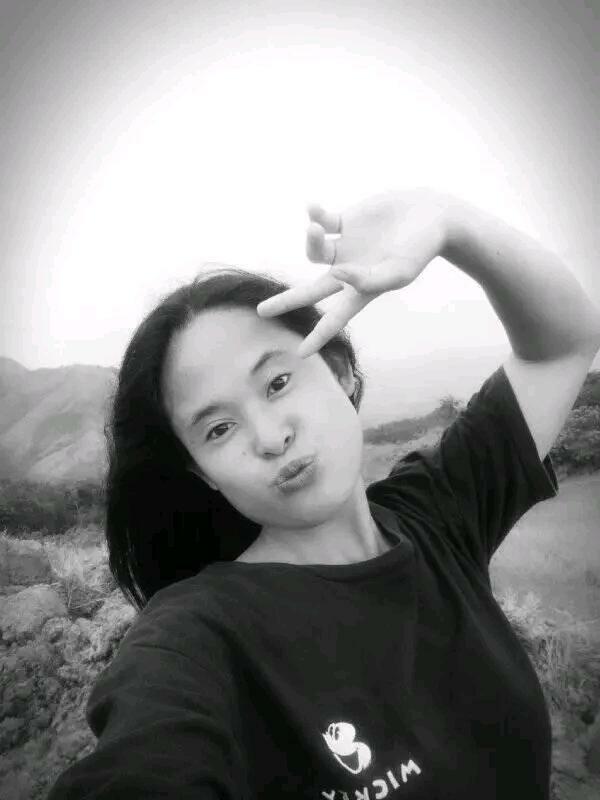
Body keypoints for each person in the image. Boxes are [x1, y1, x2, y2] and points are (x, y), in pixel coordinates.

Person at [46, 187, 600, 799]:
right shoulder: (198, 637)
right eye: (219, 429)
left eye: (278, 382)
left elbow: (563, 344)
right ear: (201, 471)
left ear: (339, 372)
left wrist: (450, 222)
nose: (270, 436)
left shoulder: (438, 511)